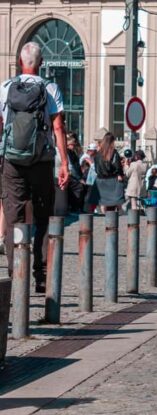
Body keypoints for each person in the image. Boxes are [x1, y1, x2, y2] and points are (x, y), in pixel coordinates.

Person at [0, 42, 69, 293]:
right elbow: (58, 128)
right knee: (42, 218)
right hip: (42, 160)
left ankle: (15, 274)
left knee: (14, 219)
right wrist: (65, 164)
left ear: (20, 62)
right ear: (41, 64)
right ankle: (40, 276)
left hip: (12, 162)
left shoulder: (6, 88)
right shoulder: (50, 88)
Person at [90, 132, 125, 211]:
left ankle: (104, 217)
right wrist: (120, 174)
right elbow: (117, 166)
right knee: (117, 201)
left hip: (100, 180)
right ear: (111, 141)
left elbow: (96, 168)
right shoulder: (114, 153)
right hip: (112, 180)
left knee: (103, 202)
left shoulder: (98, 154)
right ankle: (118, 217)